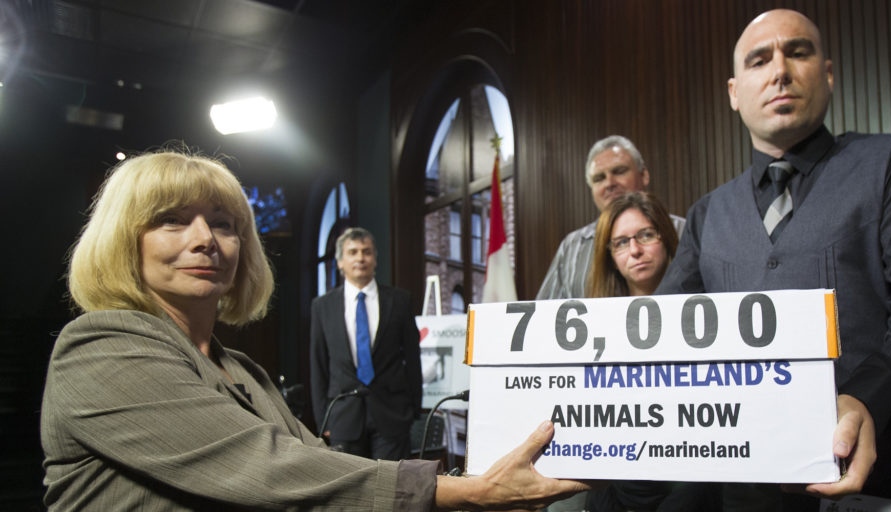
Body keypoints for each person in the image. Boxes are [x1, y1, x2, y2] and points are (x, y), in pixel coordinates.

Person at [40, 149, 588, 510]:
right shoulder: (96, 349)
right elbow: (269, 471)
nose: (206, 238)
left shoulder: (241, 369)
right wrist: (472, 493)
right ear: (122, 241)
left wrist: (476, 483)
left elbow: (324, 469)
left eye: (225, 224)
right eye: (172, 220)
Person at [656, 9, 891, 511]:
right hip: (743, 497)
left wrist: (869, 396)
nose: (780, 70)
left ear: (827, 74)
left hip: (887, 485)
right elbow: (663, 336)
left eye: (798, 52)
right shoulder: (708, 216)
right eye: (759, 59)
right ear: (733, 92)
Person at [584, 193, 715, 512]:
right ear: (610, 255)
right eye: (621, 242)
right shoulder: (591, 326)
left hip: (695, 473)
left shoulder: (709, 317)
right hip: (611, 479)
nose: (635, 251)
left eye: (645, 235)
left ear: (667, 238)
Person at [310, 227, 421, 460]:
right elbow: (318, 366)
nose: (360, 258)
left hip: (392, 415)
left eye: (367, 252)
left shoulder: (400, 301)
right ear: (340, 262)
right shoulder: (322, 307)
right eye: (353, 252)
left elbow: (412, 358)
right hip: (342, 418)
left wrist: (413, 409)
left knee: (392, 490)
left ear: (375, 260)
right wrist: (323, 419)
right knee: (352, 493)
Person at [537, 135, 685, 300]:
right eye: (599, 178)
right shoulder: (572, 246)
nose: (609, 183)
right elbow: (544, 317)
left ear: (644, 175)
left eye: (619, 171)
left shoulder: (686, 231)